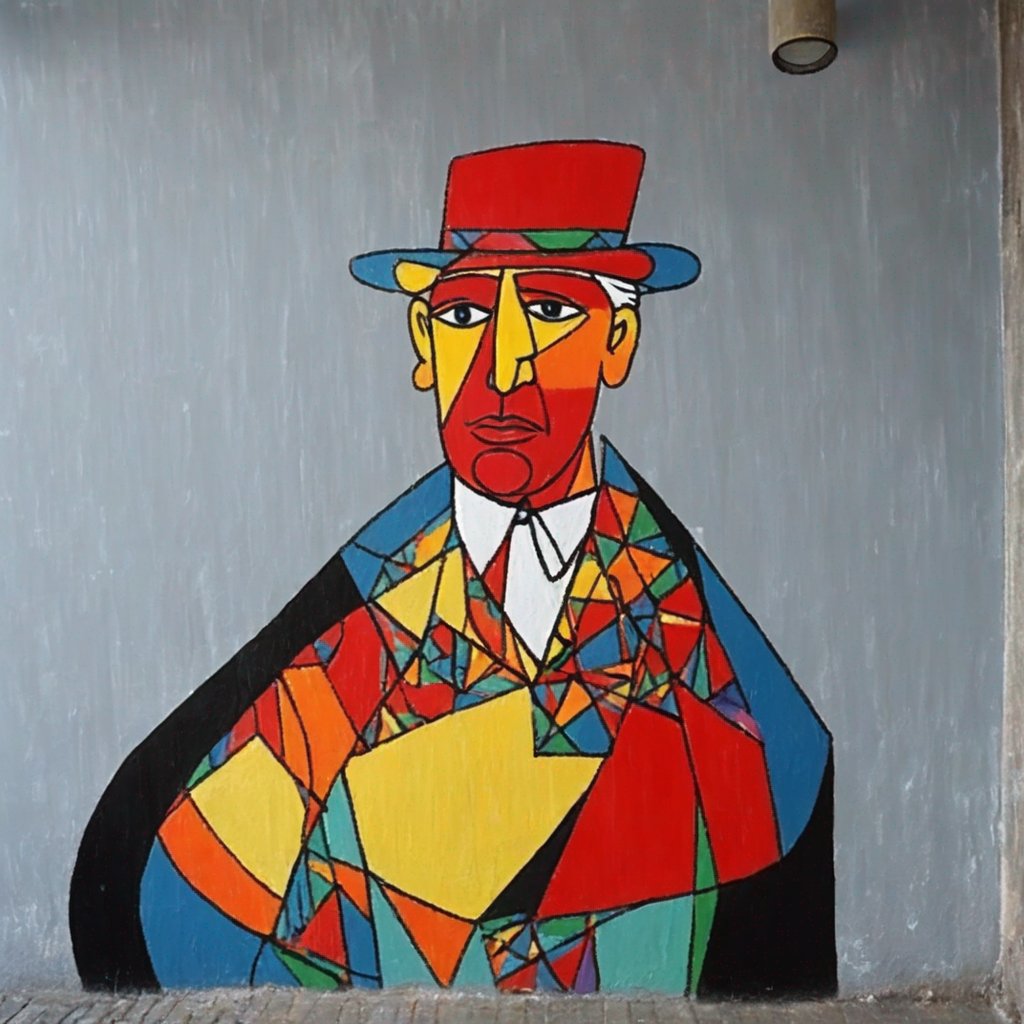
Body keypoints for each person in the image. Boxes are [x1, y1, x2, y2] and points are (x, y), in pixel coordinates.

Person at [70, 140, 836, 997]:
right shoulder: (363, 613)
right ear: (423, 342)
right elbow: (181, 876)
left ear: (618, 343)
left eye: (550, 310)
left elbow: (769, 884)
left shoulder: (698, 642)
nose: (502, 368)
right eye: (465, 314)